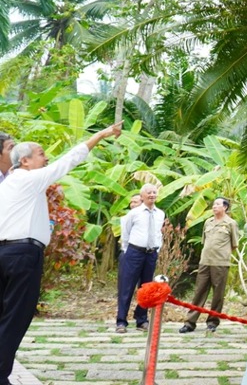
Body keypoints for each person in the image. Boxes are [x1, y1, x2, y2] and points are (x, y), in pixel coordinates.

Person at [0, 122, 122, 385]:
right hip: (23, 255)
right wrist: (100, 135)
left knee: (4, 316)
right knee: (16, 318)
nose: (46, 158)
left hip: (4, 253)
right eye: (41, 153)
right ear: (25, 161)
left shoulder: (7, 185)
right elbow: (69, 161)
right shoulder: (29, 178)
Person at [179, 197, 239, 333]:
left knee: (218, 294)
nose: (214, 207)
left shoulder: (231, 224)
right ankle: (190, 322)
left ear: (225, 207)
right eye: (214, 204)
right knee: (199, 292)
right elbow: (204, 241)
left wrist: (222, 255)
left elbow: (234, 244)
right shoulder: (208, 222)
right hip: (205, 262)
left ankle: (212, 321)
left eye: (218, 204)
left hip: (220, 263)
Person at [116, 183, 165, 333]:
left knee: (146, 288)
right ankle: (121, 321)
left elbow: (159, 233)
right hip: (134, 252)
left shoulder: (160, 213)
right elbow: (126, 232)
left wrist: (158, 247)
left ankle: (141, 319)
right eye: (148, 193)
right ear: (142, 196)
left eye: (154, 192)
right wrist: (126, 249)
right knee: (127, 286)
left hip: (151, 254)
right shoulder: (134, 213)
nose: (152, 195)